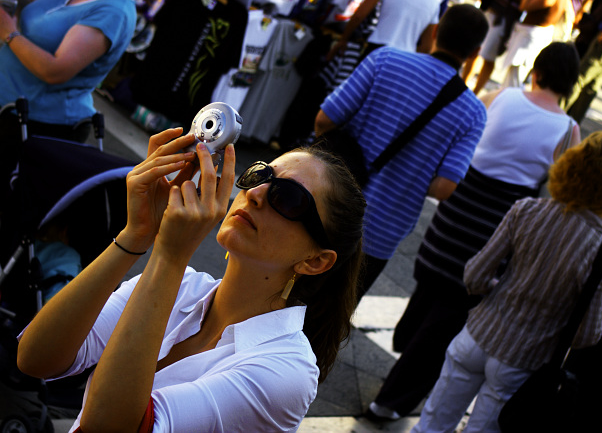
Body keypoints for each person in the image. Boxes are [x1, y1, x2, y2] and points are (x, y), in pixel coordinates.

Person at [16, 129, 366, 431]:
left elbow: (107, 425)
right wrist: (136, 234)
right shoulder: (182, 287)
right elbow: (36, 358)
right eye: (259, 176)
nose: (256, 194)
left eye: (288, 199)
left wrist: (169, 255)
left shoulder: (287, 370)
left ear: (315, 261)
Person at [367, 42, 581, 422]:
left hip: (457, 209)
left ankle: (404, 348)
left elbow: (465, 132)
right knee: (451, 312)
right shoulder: (568, 129)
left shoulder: (501, 96)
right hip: (497, 226)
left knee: (429, 286)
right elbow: (561, 188)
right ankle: (393, 399)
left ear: (539, 69)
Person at [411, 130, 602, 433]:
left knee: (431, 425)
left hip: (478, 335)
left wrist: (499, 291)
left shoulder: (527, 209)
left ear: (572, 164)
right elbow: (588, 335)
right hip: (522, 360)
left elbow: (474, 275)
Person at [315, 4, 489, 301]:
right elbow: (445, 188)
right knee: (330, 321)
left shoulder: (384, 60)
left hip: (328, 206)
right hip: (380, 235)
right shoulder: (473, 112)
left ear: (435, 32)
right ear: (475, 53)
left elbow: (324, 120)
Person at [0, 0, 158, 139]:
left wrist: (9, 34)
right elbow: (31, 15)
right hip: (10, 106)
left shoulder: (115, 13)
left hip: (31, 125)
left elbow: (55, 71)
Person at [461, 0, 543, 94]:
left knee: (487, 55)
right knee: (475, 48)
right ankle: (463, 82)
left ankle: (475, 92)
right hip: (491, 6)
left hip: (505, 15)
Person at [501, 0, 574, 87]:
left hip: (530, 37)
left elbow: (524, 5)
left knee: (514, 78)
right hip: (535, 36)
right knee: (515, 77)